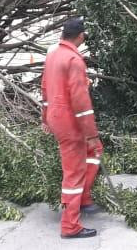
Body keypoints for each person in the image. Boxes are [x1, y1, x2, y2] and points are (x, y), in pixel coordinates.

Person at [41, 16, 102, 239]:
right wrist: (91, 134)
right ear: (81, 36)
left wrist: (45, 117)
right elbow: (81, 103)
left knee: (92, 153)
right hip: (71, 122)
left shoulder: (53, 54)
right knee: (74, 172)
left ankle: (84, 200)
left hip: (58, 118)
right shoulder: (74, 61)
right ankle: (70, 226)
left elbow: (45, 87)